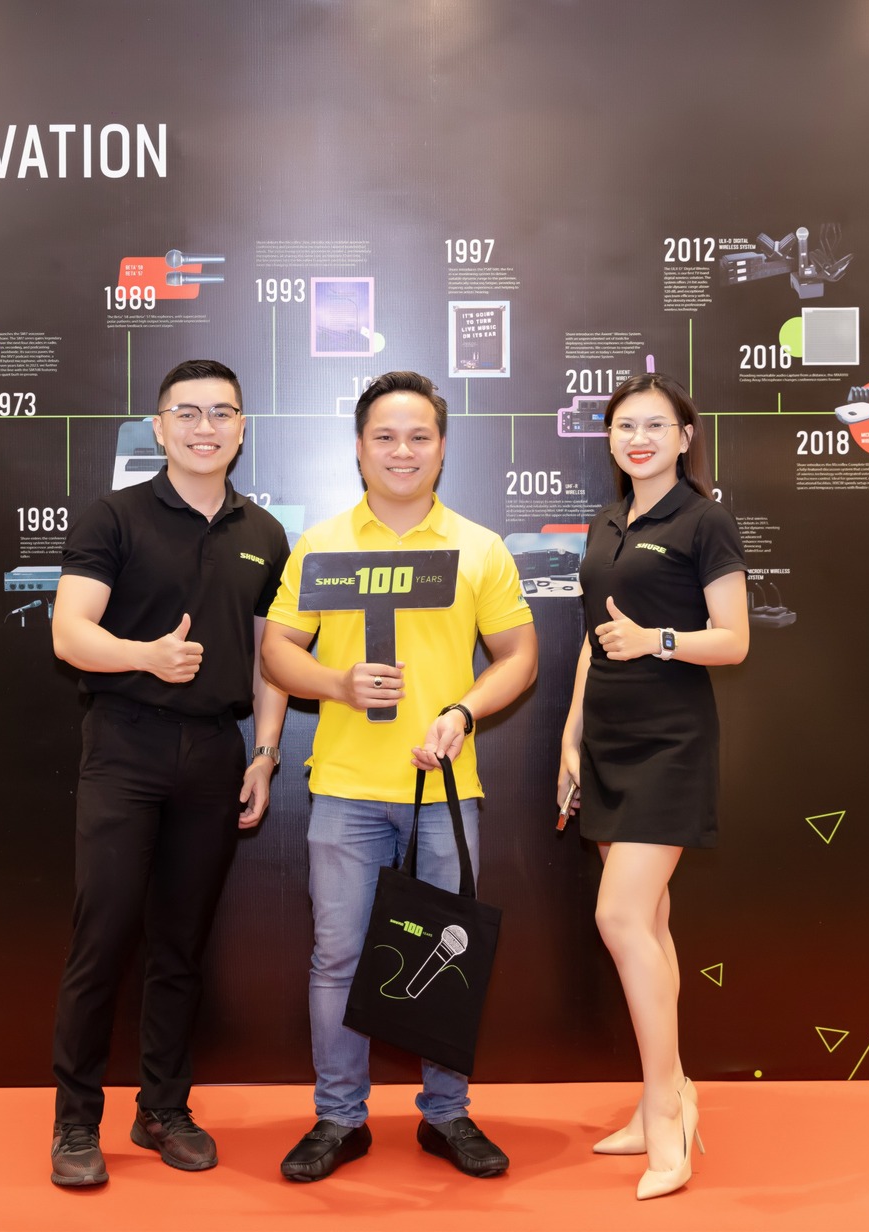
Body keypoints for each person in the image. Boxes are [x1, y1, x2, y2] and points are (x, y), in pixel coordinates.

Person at [261, 370, 539, 1182]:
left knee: (450, 955)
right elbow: (277, 650)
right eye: (385, 436)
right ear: (358, 448)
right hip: (346, 787)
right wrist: (337, 683)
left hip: (443, 795)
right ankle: (338, 1118)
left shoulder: (479, 548)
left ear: (442, 448)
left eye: (419, 436)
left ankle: (446, 1115)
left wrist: (464, 711)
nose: (402, 451)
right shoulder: (321, 544)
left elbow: (519, 656)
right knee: (339, 959)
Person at [46, 359, 291, 1188]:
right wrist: (145, 657)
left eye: (222, 412)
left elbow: (271, 656)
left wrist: (264, 752)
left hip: (215, 753)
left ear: (242, 428)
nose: (204, 427)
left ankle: (162, 1109)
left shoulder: (265, 533)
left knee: (181, 946)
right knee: (103, 938)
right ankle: (76, 1122)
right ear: (159, 427)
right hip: (126, 746)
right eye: (187, 412)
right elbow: (70, 634)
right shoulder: (114, 516)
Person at [555, 373, 749, 1201]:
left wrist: (658, 640)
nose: (638, 439)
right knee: (654, 925)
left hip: (670, 743)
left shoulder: (705, 521)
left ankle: (667, 1113)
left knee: (621, 917)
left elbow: (734, 640)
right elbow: (594, 639)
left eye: (655, 426)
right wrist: (571, 735)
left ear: (684, 437)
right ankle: (662, 1093)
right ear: (610, 438)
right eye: (624, 426)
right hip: (606, 739)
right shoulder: (607, 522)